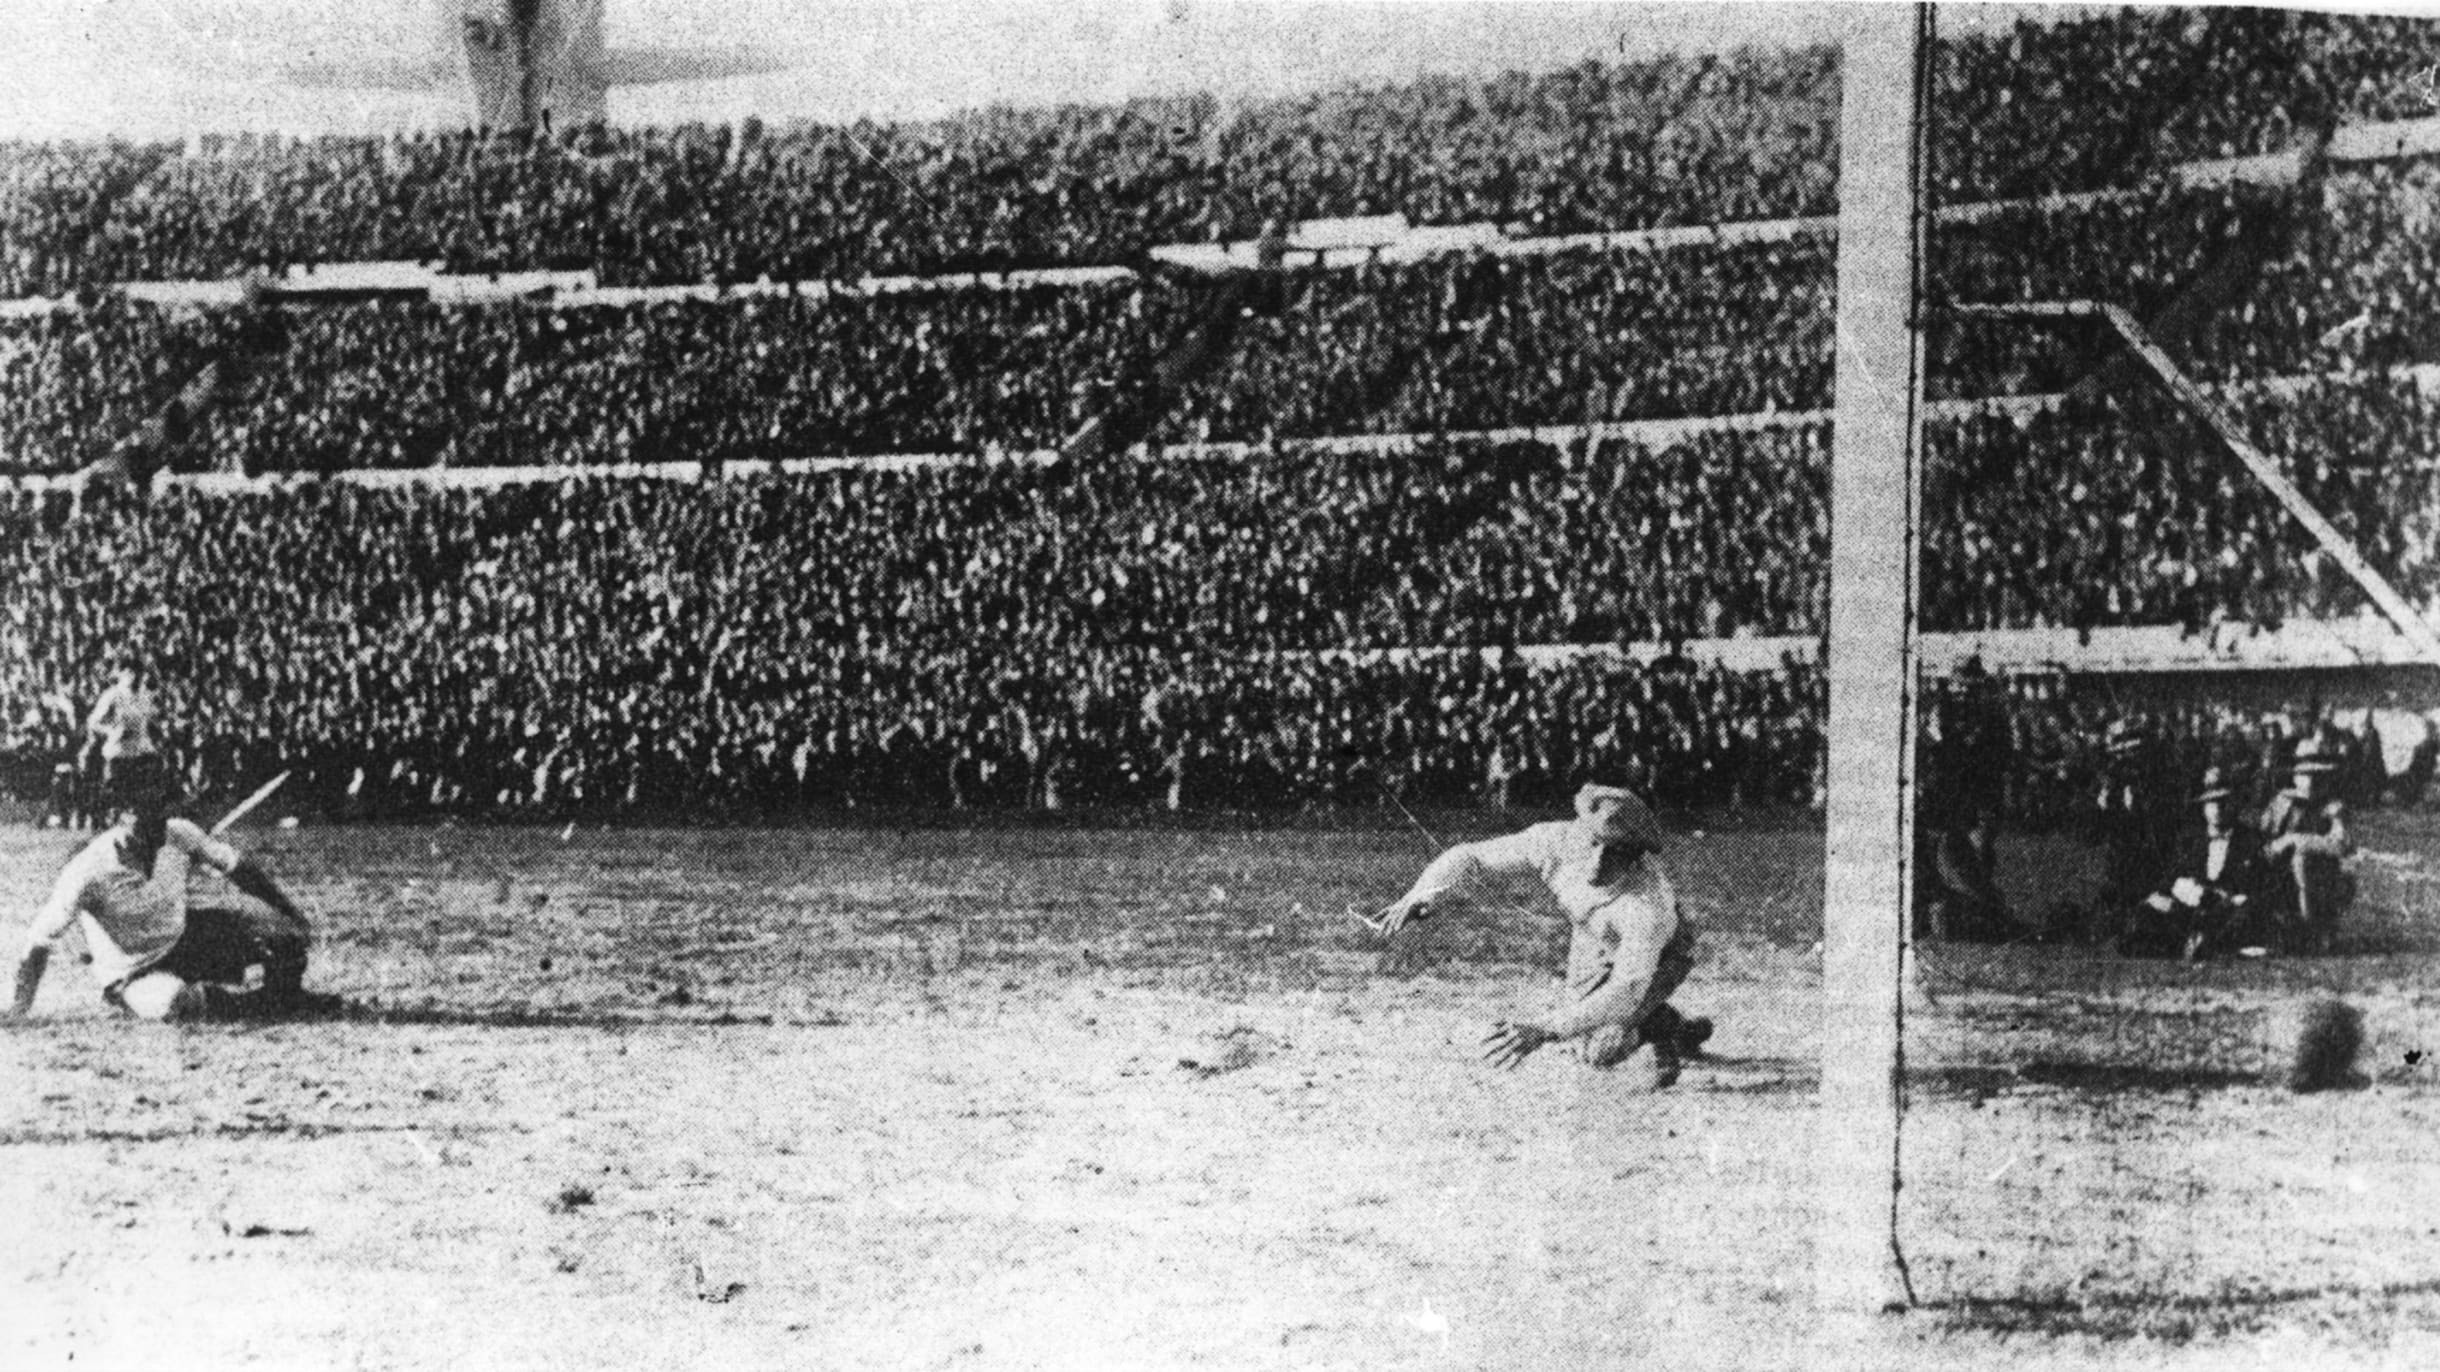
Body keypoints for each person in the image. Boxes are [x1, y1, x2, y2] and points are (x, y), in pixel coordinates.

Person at [1369, 778, 1712, 1083]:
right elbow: (1470, 857)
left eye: (1615, 852)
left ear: (1636, 856)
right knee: (1591, 1028)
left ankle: (1657, 1028)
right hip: (1594, 936)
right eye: (1594, 842)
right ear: (1580, 829)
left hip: (1662, 953)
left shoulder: (1645, 907)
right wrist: (1421, 893)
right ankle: (1670, 1025)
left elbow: (1627, 988)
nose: (1597, 862)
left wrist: (1545, 1029)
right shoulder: (1554, 841)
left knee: (1599, 1048)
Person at [8, 769, 337, 1023]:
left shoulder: (177, 833)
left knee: (284, 937)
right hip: (134, 970)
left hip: (185, 941)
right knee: (177, 1005)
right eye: (145, 817)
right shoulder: (87, 871)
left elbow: (240, 868)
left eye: (160, 814)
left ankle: (282, 997)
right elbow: (39, 940)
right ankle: (264, 1004)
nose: (156, 827)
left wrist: (290, 913)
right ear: (117, 817)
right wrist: (20, 1008)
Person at [2119, 767, 2267, 960]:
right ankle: (2191, 946)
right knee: (2145, 914)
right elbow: (2172, 877)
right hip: (2189, 910)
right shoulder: (2191, 840)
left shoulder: (2250, 840)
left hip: (2226, 910)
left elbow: (2258, 885)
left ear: (2234, 803)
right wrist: (2161, 895)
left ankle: (2206, 946)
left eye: (2223, 802)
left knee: (2246, 916)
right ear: (2204, 808)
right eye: (2211, 803)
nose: (2218, 809)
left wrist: (2228, 897)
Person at [2257, 729, 2357, 954]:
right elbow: (2262, 837)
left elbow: (2342, 846)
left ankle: (2314, 927)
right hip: (2279, 873)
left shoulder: (2333, 807)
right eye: (2304, 774)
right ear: (2294, 775)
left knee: (2302, 861)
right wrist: (2271, 847)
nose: (2309, 781)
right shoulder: (2281, 802)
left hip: (2319, 877)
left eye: (2316, 775)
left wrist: (2296, 840)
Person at [85, 657, 166, 810]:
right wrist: (112, 731)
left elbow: (152, 721)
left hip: (141, 753)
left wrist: (157, 735)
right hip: (119, 753)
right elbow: (93, 722)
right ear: (120, 674)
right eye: (128, 672)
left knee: (142, 799)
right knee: (117, 798)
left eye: (137, 672)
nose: (133, 676)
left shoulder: (145, 696)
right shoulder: (112, 695)